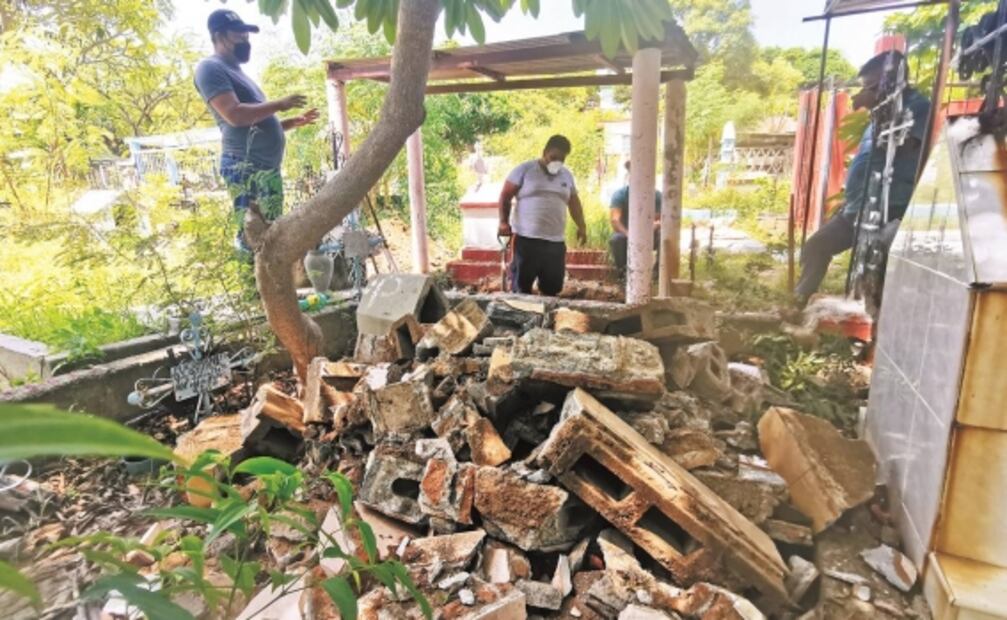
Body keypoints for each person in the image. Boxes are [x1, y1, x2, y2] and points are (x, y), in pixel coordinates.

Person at [794, 50, 930, 306]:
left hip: (888, 211)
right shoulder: (878, 114)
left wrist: (880, 113)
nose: (867, 92)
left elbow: (904, 146)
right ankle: (800, 299)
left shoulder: (918, 108)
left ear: (893, 83)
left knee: (872, 272)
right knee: (817, 245)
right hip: (856, 208)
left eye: (873, 86)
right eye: (867, 87)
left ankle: (869, 324)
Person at [193, 9, 319, 252]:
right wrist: (280, 104)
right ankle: (252, 287)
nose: (245, 39)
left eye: (247, 34)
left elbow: (257, 124)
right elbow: (235, 115)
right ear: (219, 35)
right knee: (253, 238)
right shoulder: (209, 68)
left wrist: (291, 122)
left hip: (266, 169)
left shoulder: (238, 73)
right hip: (245, 168)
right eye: (239, 33)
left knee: (271, 236)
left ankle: (269, 288)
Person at [498, 135, 588, 296]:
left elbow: (574, 203)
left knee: (552, 289)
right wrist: (503, 223)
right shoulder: (524, 170)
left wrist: (582, 226)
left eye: (561, 159)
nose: (556, 162)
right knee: (521, 288)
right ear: (544, 152)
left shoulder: (566, 176)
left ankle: (546, 320)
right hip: (527, 240)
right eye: (553, 157)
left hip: (555, 243)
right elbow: (505, 196)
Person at [609, 161, 662, 275]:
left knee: (664, 237)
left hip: (650, 233)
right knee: (616, 239)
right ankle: (622, 275)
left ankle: (657, 274)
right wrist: (629, 234)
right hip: (626, 233)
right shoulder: (620, 195)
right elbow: (615, 220)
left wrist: (653, 227)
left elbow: (659, 218)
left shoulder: (657, 196)